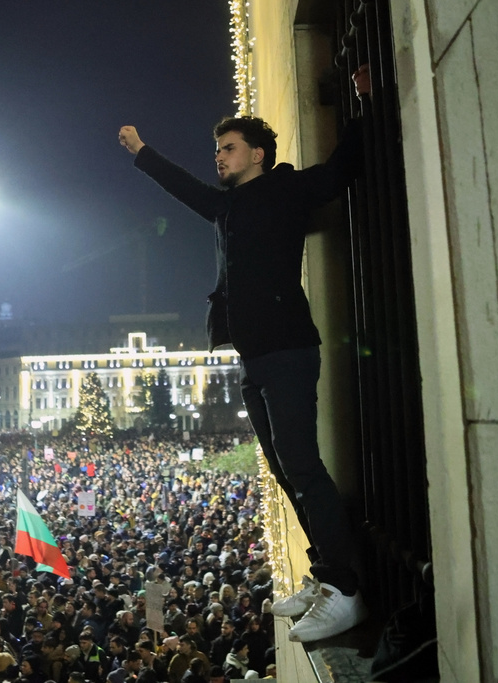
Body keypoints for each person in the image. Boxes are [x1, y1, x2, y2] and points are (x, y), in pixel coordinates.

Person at [118, 64, 372, 644]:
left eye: (228, 148)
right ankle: (324, 573)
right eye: (216, 150)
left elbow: (338, 174)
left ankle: (347, 590)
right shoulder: (226, 208)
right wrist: (143, 152)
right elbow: (186, 189)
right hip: (253, 358)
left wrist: (364, 100)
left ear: (257, 154)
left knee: (304, 467)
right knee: (286, 471)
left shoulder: (283, 190)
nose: (218, 156)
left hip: (287, 349)